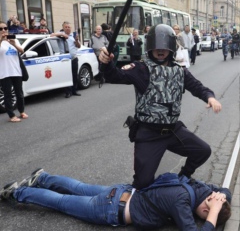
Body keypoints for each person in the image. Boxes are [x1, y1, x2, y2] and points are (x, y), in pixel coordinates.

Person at [99, 24, 222, 189]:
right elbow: (115, 76)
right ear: (150, 47)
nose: (160, 50)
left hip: (173, 131)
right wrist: (107, 63)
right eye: (157, 46)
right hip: (149, 134)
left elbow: (198, 87)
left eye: (164, 46)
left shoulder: (180, 72)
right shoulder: (141, 68)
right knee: (142, 183)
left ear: (171, 48)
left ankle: (183, 177)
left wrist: (210, 97)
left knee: (203, 151)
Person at [0, 168, 231, 230]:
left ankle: (42, 177)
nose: (199, 218)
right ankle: (18, 192)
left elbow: (224, 190)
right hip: (112, 209)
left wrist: (221, 197)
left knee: (78, 186)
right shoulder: (182, 203)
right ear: (207, 205)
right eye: (203, 214)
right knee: (61, 203)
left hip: (121, 192)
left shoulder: (196, 186)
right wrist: (212, 215)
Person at [0, 21, 28, 122]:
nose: (3, 30)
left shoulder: (13, 40)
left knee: (19, 93)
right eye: (1, 29)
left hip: (16, 71)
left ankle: (21, 111)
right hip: (5, 73)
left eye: (5, 28)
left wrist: (14, 44)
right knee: (8, 95)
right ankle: (11, 115)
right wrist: (1, 39)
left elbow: (22, 51)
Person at [51, 21, 81, 98]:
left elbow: (78, 46)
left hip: (74, 58)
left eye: (69, 27)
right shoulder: (60, 35)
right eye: (66, 27)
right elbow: (51, 35)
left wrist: (77, 40)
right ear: (63, 28)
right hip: (65, 60)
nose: (67, 28)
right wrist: (62, 34)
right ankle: (68, 92)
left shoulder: (73, 35)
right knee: (67, 75)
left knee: (74, 75)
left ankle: (74, 90)